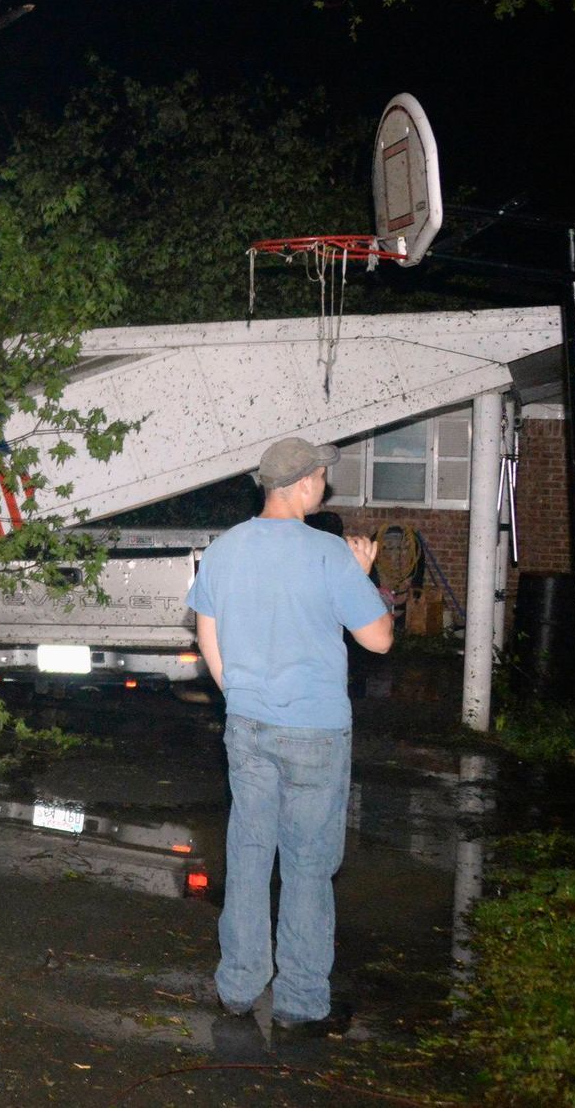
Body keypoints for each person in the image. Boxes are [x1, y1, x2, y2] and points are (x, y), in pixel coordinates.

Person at [185, 437, 393, 1036]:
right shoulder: (330, 554)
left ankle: (238, 987)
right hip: (316, 734)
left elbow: (208, 635)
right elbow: (378, 638)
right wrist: (362, 574)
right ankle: (302, 1000)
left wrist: (239, 693)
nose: (324, 486)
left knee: (249, 855)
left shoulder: (225, 549)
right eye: (322, 476)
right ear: (305, 483)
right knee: (307, 865)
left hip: (248, 725)